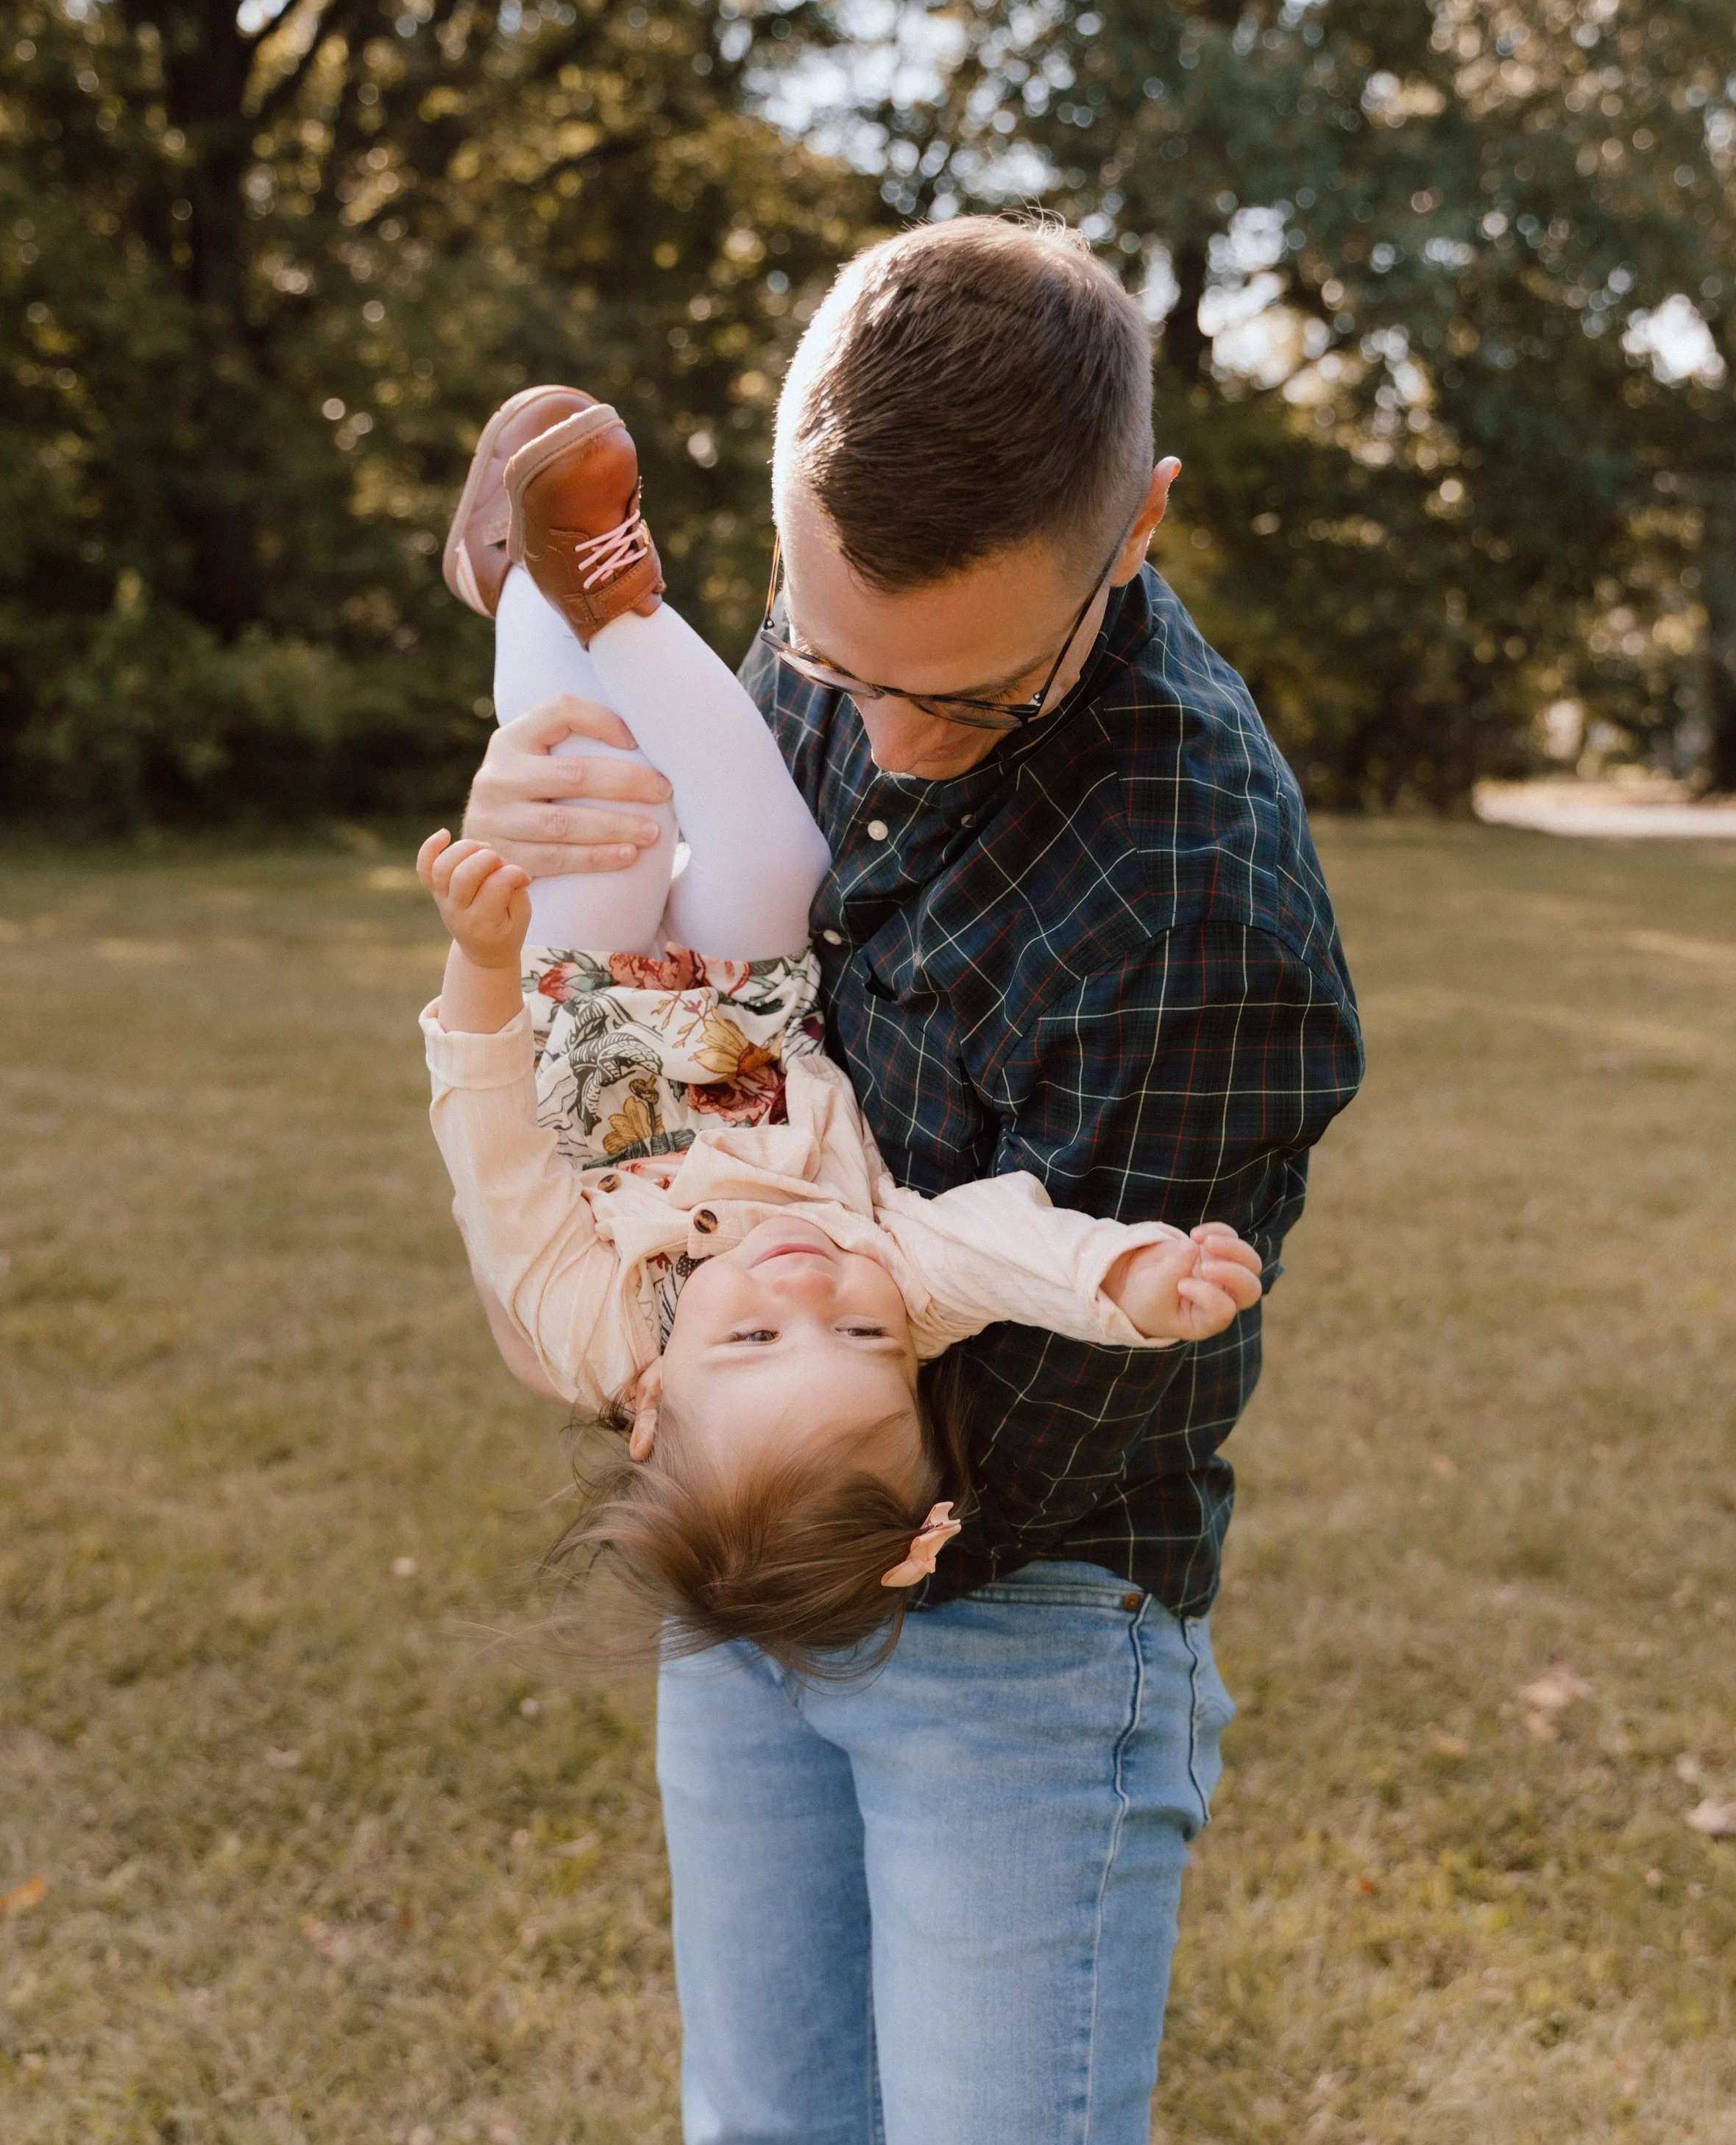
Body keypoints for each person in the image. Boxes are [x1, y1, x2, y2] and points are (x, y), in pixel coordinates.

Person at [454, 218, 1364, 2145]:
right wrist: (553, 828)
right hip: (758, 1517)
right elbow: (682, 965)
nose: (867, 730)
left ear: (1132, 532)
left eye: (950, 689)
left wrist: (741, 1333)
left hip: (1015, 1599)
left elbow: (1041, 1360)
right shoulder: (848, 612)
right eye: (819, 647)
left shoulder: (1195, 903)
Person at [415, 408, 1267, 1663]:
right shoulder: (896, 1274)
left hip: (574, 1012)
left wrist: (482, 963)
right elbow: (1002, 1248)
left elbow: (489, 1158)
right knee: (777, 852)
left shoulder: (592, 1337)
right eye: (862, 1338)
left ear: (652, 1412)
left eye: (753, 1339)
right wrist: (1129, 1284)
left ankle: (527, 599)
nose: (809, 1287)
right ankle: (618, 597)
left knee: (617, 815)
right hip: (752, 1000)